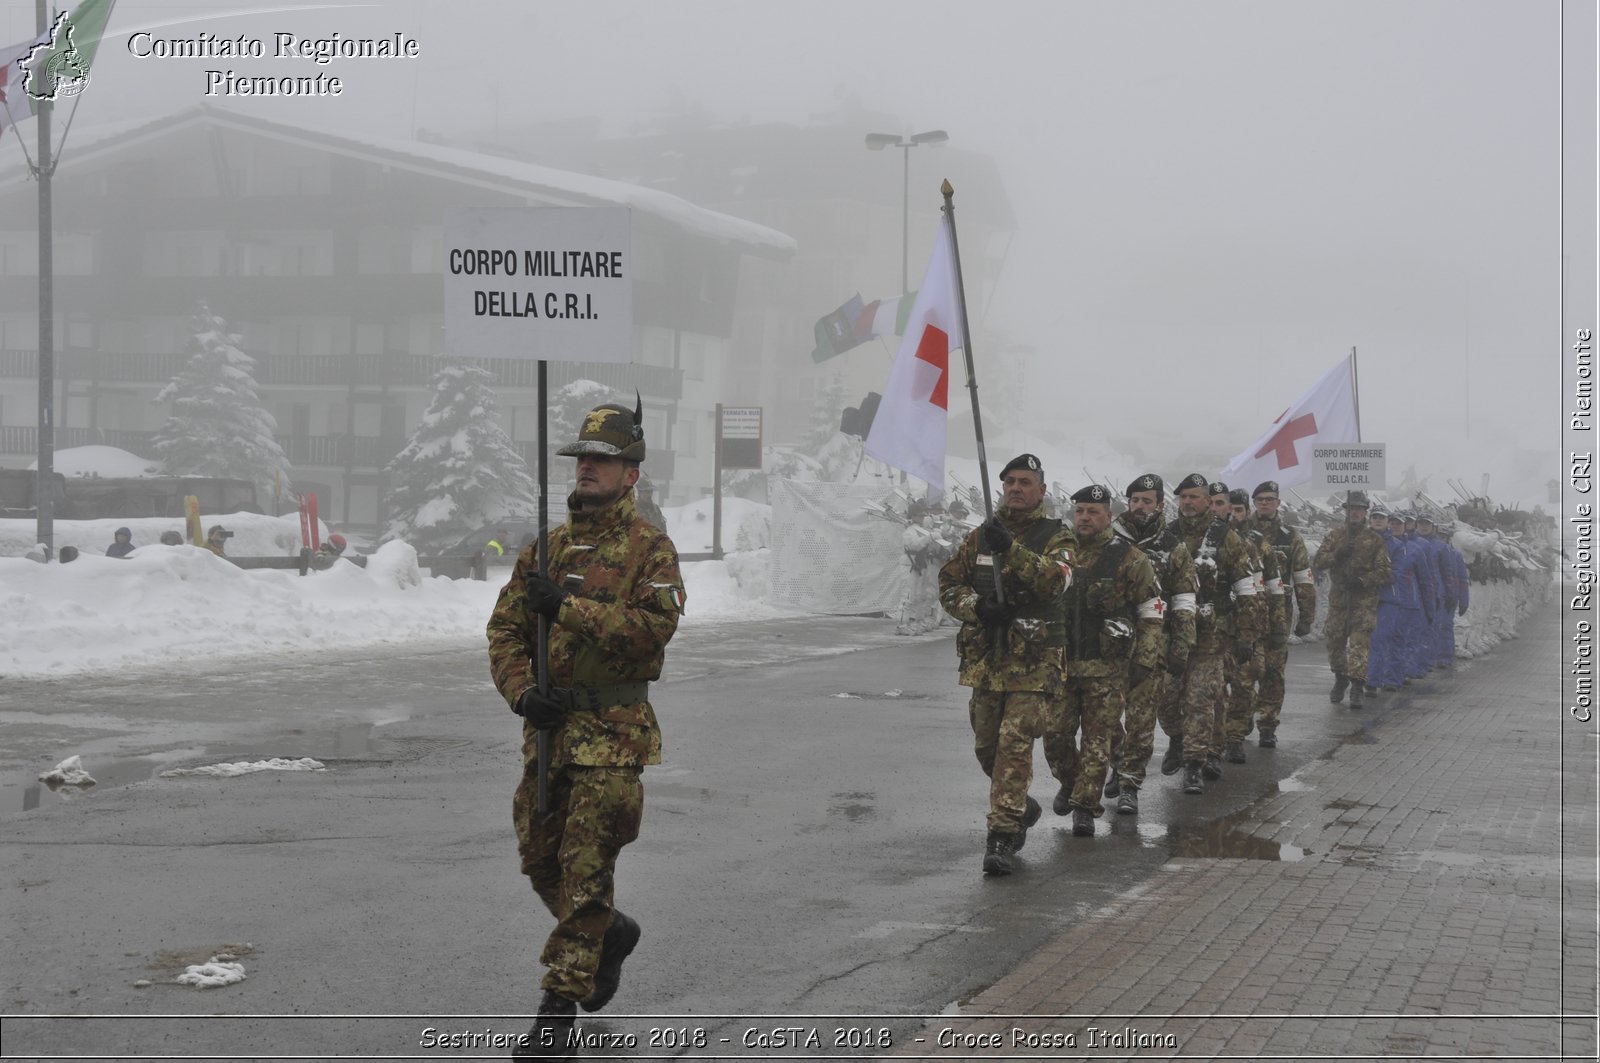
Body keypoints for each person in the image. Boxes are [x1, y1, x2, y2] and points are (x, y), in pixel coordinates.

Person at [486, 400, 686, 1056]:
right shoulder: (545, 547)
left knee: (584, 864)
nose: (589, 468)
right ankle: (612, 932)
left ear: (632, 472)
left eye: (604, 459)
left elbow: (650, 632)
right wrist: (522, 693)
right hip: (550, 732)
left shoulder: (650, 549)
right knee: (541, 858)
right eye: (583, 459)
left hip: (614, 730)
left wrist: (567, 607)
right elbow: (506, 629)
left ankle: (556, 1013)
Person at [938, 454, 1075, 876]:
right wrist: (976, 607)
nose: (1016, 488)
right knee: (987, 748)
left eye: (1025, 482)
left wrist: (1011, 551)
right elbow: (948, 585)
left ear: (1041, 490)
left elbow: (1057, 579)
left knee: (1015, 742)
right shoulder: (980, 536)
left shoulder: (1057, 534)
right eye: (1010, 482)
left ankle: (1001, 835)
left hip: (1034, 662)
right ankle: (1019, 804)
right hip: (987, 659)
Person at [1042, 484, 1161, 835]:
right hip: (1062, 666)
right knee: (1055, 736)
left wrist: (1145, 658)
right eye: (1079, 511)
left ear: (1109, 516)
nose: (1084, 517)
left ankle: (1084, 806)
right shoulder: (1059, 554)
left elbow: (1151, 611)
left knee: (1098, 741)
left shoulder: (1129, 558)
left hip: (1107, 669)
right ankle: (1070, 782)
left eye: (1093, 512)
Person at [1167, 474, 1263, 794]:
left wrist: (1247, 633)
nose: (1188, 503)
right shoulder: (1168, 535)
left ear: (1208, 501)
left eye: (1195, 497)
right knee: (1166, 699)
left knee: (1201, 697)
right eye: (1184, 497)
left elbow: (1246, 590)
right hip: (1172, 633)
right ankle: (1178, 740)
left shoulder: (1227, 539)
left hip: (1213, 634)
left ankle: (1196, 762)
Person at [1108, 474, 1197, 811]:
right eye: (1135, 500)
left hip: (1154, 646)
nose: (1140, 507)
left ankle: (1131, 782)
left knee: (1142, 719)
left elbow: (1184, 599)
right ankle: (1117, 763)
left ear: (1161, 505)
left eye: (1147, 501)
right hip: (1110, 645)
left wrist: (1181, 644)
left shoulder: (1174, 547)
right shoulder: (1110, 540)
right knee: (1106, 717)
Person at [1248, 481, 1316, 747]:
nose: (1264, 503)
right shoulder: (1240, 531)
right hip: (1246, 616)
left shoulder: (1290, 537)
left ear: (1278, 503)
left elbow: (1303, 578)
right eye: (1260, 499)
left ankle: (1267, 725)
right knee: (1245, 671)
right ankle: (1240, 719)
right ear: (1254, 503)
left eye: (1269, 499)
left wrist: (1307, 616)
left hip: (1278, 617)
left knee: (1273, 673)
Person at [1311, 491, 1392, 708]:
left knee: (1359, 646)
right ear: (1345, 511)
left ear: (1365, 512)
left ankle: (1357, 686)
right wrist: (1337, 554)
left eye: (1359, 509)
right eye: (1351, 509)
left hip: (1363, 601)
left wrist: (1363, 580)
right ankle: (1340, 678)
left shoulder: (1375, 540)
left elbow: (1385, 570)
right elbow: (1318, 561)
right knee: (1334, 644)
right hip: (1339, 599)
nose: (1355, 512)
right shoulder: (1335, 536)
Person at [1224, 488, 1284, 762]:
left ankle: (1235, 737)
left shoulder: (1260, 545)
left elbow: (1275, 589)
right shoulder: (1210, 542)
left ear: (1246, 511)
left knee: (1245, 681)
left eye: (1239, 510)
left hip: (1251, 626)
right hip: (1219, 625)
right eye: (1229, 508)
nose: (1233, 515)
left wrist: (1278, 628)